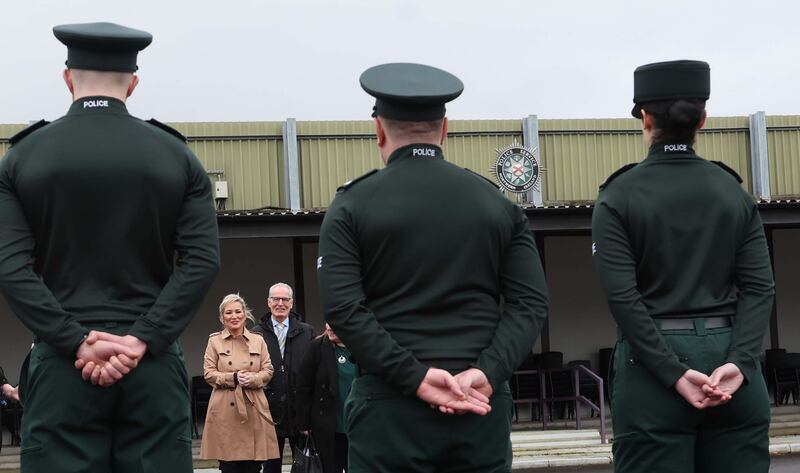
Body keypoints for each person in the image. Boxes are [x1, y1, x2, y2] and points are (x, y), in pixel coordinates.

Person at [0, 22, 220, 472]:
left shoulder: (23, 156)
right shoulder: (177, 156)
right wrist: (143, 338)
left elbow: (10, 266)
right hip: (152, 365)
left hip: (62, 365)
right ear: (133, 84)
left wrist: (76, 341)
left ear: (68, 78)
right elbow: (201, 261)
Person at [317, 63, 549, 473]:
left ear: (379, 131)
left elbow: (345, 310)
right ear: (444, 130)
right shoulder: (497, 205)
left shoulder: (350, 206)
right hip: (480, 404)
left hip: (389, 408)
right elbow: (530, 305)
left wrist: (416, 378)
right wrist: (489, 372)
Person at [592, 60, 774, 473]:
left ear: (645, 118)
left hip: (653, 367)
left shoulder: (618, 197)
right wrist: (741, 363)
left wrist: (673, 372)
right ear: (703, 120)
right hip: (732, 362)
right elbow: (760, 288)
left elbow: (623, 297)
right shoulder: (733, 192)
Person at [200, 294, 280, 473]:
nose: (234, 316)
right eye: (228, 312)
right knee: (229, 464)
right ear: (222, 317)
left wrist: (252, 379)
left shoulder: (258, 340)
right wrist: (233, 378)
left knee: (252, 465)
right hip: (225, 409)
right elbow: (209, 373)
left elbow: (268, 371)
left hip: (253, 405)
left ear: (245, 314)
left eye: (238, 311)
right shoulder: (214, 341)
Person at [251, 282, 316, 473]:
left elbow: (315, 371)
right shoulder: (256, 333)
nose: (280, 303)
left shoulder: (307, 332)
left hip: (300, 411)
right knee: (270, 467)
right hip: (268, 411)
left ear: (291, 303)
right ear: (268, 302)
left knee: (304, 465)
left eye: (285, 299)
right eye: (276, 299)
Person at [295, 324, 356, 473]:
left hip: (358, 424)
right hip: (328, 424)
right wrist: (304, 422)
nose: (330, 327)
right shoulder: (318, 346)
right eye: (329, 322)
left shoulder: (361, 346)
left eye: (336, 322)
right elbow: (304, 385)